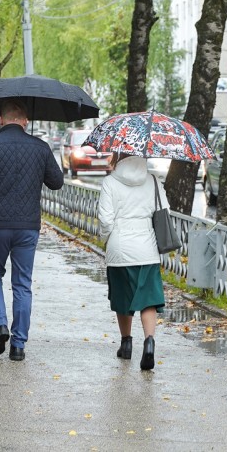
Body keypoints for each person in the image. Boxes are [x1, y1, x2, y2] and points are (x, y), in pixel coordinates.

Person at [0, 99, 64, 362]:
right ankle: (18, 345)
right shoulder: (40, 147)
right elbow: (57, 182)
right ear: (25, 121)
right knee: (22, 284)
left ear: (0, 119)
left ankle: (0, 325)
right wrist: (46, 157)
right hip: (27, 227)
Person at [98, 152, 167, 371]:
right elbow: (165, 210)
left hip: (120, 248)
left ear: (118, 156)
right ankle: (149, 342)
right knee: (148, 299)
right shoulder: (153, 180)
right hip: (147, 249)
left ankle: (126, 343)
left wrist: (105, 239)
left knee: (123, 297)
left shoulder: (110, 182)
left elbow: (106, 220)